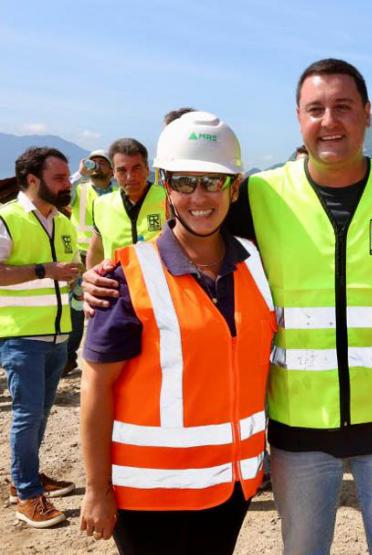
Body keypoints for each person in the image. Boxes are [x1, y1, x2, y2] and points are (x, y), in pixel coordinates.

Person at [85, 58, 372, 555]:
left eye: (343, 107)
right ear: (298, 118)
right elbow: (192, 219)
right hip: (298, 428)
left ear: (368, 113)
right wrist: (109, 274)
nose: (329, 120)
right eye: (316, 109)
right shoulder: (263, 193)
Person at [78, 112, 275, 554]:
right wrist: (96, 488)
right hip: (149, 496)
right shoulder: (127, 276)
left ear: (235, 187)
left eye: (213, 182)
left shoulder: (257, 265)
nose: (199, 197)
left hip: (230, 486)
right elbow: (96, 386)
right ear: (166, 186)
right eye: (185, 182)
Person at [0, 147, 80, 528]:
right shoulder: (8, 218)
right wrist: (42, 269)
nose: (68, 185)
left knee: (41, 413)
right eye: (60, 178)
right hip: (21, 337)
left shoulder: (62, 222)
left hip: (57, 335)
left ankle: (25, 478)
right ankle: (28, 493)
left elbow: (69, 272)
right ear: (33, 180)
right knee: (27, 415)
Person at [65, 149, 117, 374]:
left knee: (107, 305)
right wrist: (79, 174)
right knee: (77, 307)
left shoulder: (118, 192)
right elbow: (61, 193)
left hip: (109, 257)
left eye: (102, 163)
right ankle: (67, 359)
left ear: (112, 169)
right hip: (80, 256)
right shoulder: (80, 189)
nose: (96, 166)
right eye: (93, 162)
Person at [85, 139, 167, 269]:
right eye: (122, 170)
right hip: (117, 286)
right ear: (114, 173)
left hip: (162, 284)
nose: (130, 177)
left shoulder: (169, 199)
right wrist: (90, 281)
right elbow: (96, 252)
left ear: (147, 169)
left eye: (136, 168)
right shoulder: (102, 205)